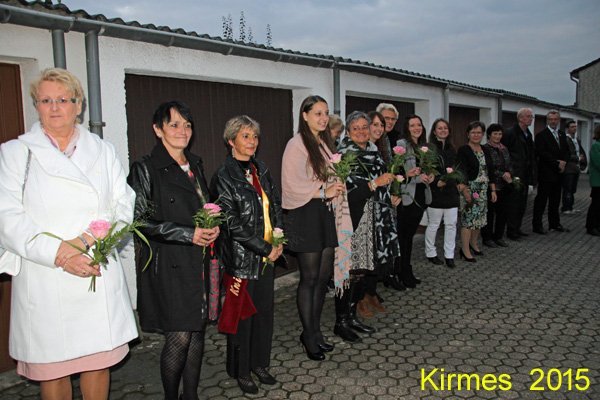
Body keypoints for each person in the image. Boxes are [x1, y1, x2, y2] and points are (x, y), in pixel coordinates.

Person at [0, 68, 137, 400]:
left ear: (79, 105)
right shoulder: (16, 152)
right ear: (36, 105)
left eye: (63, 99)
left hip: (94, 265)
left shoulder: (102, 150)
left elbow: (123, 205)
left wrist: (85, 242)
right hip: (46, 275)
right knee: (54, 369)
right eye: (45, 100)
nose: (54, 107)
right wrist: (61, 254)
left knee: (97, 364)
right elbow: (7, 217)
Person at [128, 100, 219, 400]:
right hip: (169, 263)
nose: (183, 131)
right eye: (174, 124)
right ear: (158, 130)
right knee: (179, 337)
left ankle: (190, 395)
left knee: (197, 331)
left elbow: (204, 206)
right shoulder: (145, 168)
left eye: (187, 125)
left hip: (198, 259)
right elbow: (138, 221)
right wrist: (188, 234)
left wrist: (214, 225)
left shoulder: (195, 164)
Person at [210, 115, 283, 394]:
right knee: (242, 318)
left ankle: (260, 364)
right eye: (245, 136)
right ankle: (241, 371)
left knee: (264, 314)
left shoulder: (261, 169)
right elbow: (231, 223)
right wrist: (265, 248)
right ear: (231, 141)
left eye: (254, 136)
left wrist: (279, 238)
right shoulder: (223, 176)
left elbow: (275, 204)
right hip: (242, 260)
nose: (252, 141)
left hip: (267, 256)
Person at [281, 95, 347, 360]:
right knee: (309, 279)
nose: (323, 118)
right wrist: (323, 191)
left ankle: (315, 331)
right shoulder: (296, 144)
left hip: (323, 213)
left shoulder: (323, 142)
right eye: (318, 113)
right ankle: (308, 335)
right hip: (305, 214)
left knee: (322, 278)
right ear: (305, 115)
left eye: (326, 113)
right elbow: (291, 183)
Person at [337, 111, 399, 336]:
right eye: (356, 128)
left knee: (363, 272)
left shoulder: (373, 152)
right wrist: (374, 184)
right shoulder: (343, 156)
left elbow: (381, 182)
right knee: (350, 272)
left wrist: (390, 191)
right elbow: (346, 193)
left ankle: (352, 316)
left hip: (375, 218)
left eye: (365, 127)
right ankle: (341, 321)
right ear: (348, 132)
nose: (362, 131)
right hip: (355, 219)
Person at [395, 114, 434, 287]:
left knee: (409, 236)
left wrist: (431, 176)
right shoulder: (402, 145)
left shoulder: (423, 146)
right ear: (407, 128)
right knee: (403, 237)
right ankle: (401, 272)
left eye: (419, 125)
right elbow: (398, 173)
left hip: (421, 195)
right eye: (412, 125)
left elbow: (427, 169)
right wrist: (416, 177)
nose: (416, 128)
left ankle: (406, 269)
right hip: (407, 196)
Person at [456, 121, 496, 262]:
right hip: (470, 189)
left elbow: (490, 171)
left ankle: (474, 244)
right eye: (473, 132)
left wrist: (493, 189)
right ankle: (465, 249)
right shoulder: (463, 150)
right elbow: (461, 171)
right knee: (468, 220)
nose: (476, 135)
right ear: (468, 134)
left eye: (479, 132)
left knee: (479, 220)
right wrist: (465, 191)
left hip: (483, 190)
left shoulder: (485, 149)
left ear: (483, 134)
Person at [424, 118, 460, 268]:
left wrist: (448, 181)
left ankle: (449, 255)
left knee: (451, 225)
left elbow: (457, 170)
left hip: (451, 192)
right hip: (436, 192)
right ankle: (430, 253)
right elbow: (426, 170)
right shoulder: (429, 149)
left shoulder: (453, 149)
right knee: (434, 225)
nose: (443, 130)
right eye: (440, 128)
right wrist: (436, 181)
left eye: (445, 128)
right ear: (434, 131)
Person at [532, 110, 570, 234]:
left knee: (555, 201)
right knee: (541, 201)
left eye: (555, 119)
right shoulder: (541, 135)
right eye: (551, 119)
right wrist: (557, 163)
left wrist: (564, 162)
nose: (553, 121)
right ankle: (537, 226)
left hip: (559, 174)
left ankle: (554, 224)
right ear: (547, 120)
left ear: (559, 120)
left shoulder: (562, 134)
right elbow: (542, 153)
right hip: (546, 174)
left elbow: (567, 151)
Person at [501, 108, 536, 240]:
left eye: (531, 116)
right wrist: (509, 170)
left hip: (525, 174)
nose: (531, 119)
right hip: (515, 174)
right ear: (520, 118)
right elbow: (504, 153)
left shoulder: (528, 134)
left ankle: (517, 228)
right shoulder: (510, 133)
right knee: (513, 204)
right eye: (528, 116)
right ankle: (511, 231)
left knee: (522, 203)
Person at [481, 124, 513, 248]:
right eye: (495, 134)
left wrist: (509, 173)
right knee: (489, 213)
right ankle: (487, 237)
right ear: (489, 135)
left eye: (500, 134)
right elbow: (487, 168)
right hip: (491, 185)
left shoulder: (504, 148)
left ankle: (498, 236)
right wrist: (501, 174)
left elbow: (509, 164)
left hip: (504, 186)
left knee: (502, 213)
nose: (498, 136)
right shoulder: (485, 149)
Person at [561, 120, 584, 214]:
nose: (574, 128)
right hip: (569, 168)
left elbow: (579, 151)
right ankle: (565, 208)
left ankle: (570, 207)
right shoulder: (565, 139)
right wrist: (577, 158)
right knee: (568, 188)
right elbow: (566, 154)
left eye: (575, 126)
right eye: (572, 127)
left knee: (573, 189)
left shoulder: (576, 139)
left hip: (576, 167)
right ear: (567, 128)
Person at [586, 125, 600, 236]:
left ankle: (597, 225)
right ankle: (591, 226)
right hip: (597, 181)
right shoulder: (596, 146)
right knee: (596, 204)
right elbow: (598, 163)